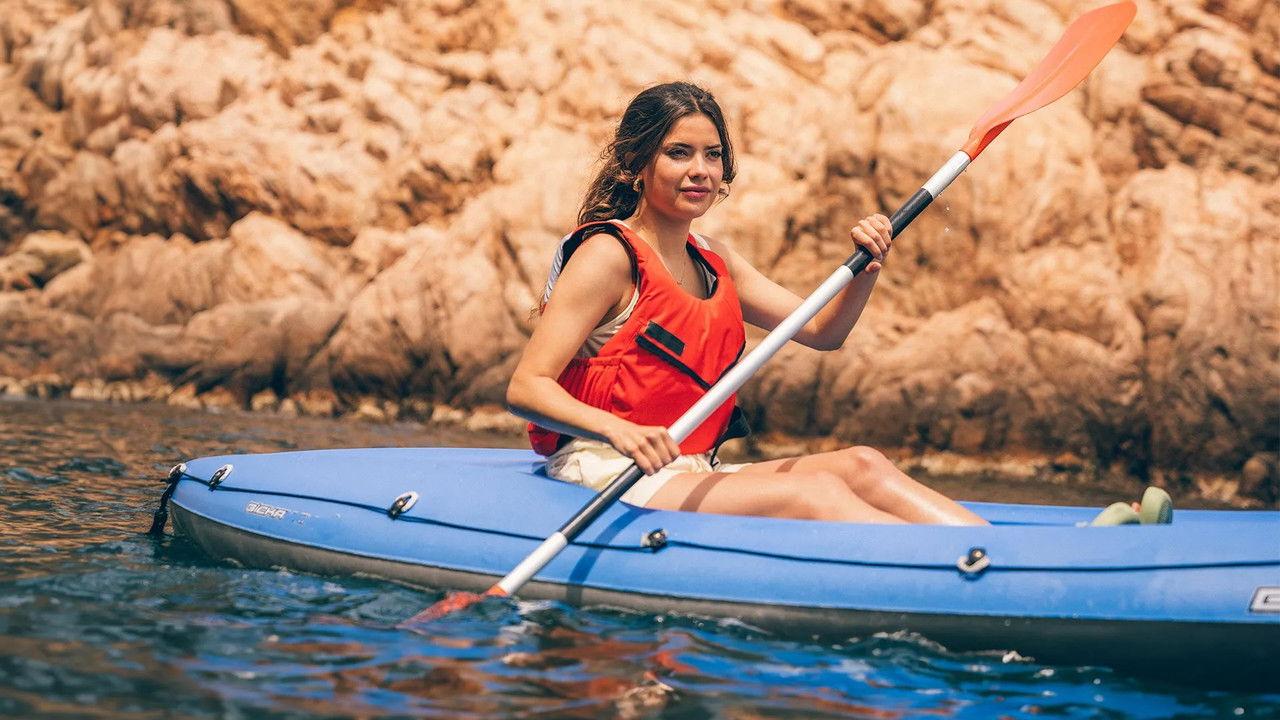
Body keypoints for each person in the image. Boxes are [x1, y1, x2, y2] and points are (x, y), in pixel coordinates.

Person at [507, 81, 1166, 527]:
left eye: (712, 155)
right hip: (608, 471)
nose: (700, 170)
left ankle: (1006, 554)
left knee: (862, 463)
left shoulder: (716, 260)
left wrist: (866, 268)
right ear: (636, 164)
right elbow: (526, 387)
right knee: (813, 490)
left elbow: (822, 331)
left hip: (685, 466)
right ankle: (969, 573)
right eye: (678, 153)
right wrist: (619, 430)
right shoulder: (609, 255)